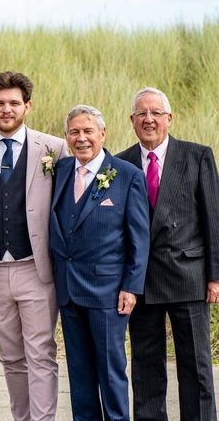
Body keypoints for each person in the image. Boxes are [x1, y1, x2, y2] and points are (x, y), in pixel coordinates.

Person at [117, 87, 219, 420]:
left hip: (188, 276)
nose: (149, 119)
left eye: (156, 113)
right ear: (132, 120)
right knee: (146, 368)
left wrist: (215, 277)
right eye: (141, 114)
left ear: (169, 118)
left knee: (197, 367)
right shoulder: (120, 163)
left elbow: (212, 219)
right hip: (141, 281)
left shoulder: (197, 156)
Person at [49, 104, 149, 420]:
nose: (82, 138)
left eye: (88, 131)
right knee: (79, 374)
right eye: (74, 132)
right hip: (68, 289)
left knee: (110, 370)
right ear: (66, 137)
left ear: (102, 134)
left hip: (107, 293)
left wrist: (131, 287)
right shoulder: (59, 171)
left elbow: (139, 237)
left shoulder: (127, 175)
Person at [0, 71, 68, 421]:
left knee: (41, 353)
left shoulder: (54, 149)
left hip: (36, 267)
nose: (6, 109)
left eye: (14, 103)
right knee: (11, 355)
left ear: (27, 107)